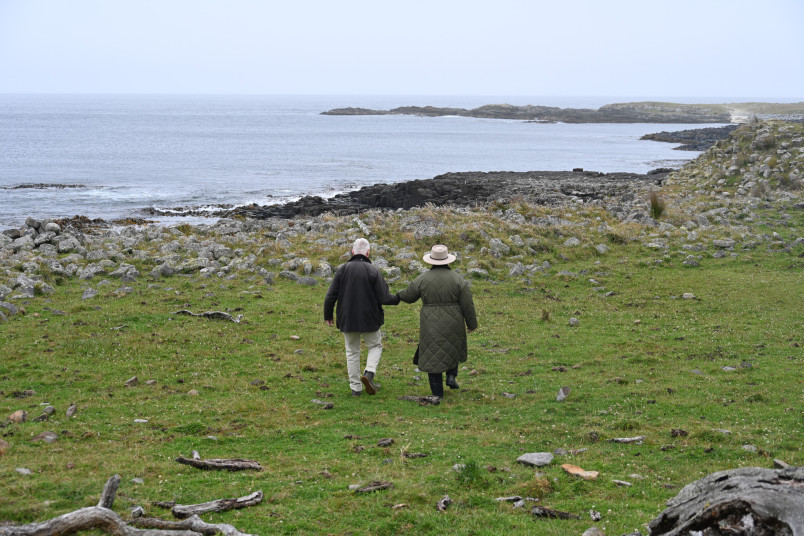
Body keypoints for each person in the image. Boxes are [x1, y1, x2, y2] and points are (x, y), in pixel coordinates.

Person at [396, 244, 477, 399]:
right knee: (452, 347)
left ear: (431, 260)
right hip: (454, 320)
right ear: (448, 260)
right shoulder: (458, 279)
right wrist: (472, 324)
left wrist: (397, 295)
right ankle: (451, 376)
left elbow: (409, 295)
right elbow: (467, 303)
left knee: (433, 355)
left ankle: (437, 394)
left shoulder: (423, 278)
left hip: (430, 322)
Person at [324, 238, 399, 396]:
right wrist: (400, 297)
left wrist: (328, 315)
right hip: (370, 317)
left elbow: (330, 295)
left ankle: (355, 388)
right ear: (368, 252)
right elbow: (384, 297)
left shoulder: (342, 270)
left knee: (352, 351)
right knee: (375, 346)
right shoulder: (373, 271)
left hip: (347, 317)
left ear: (352, 252)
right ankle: (369, 373)